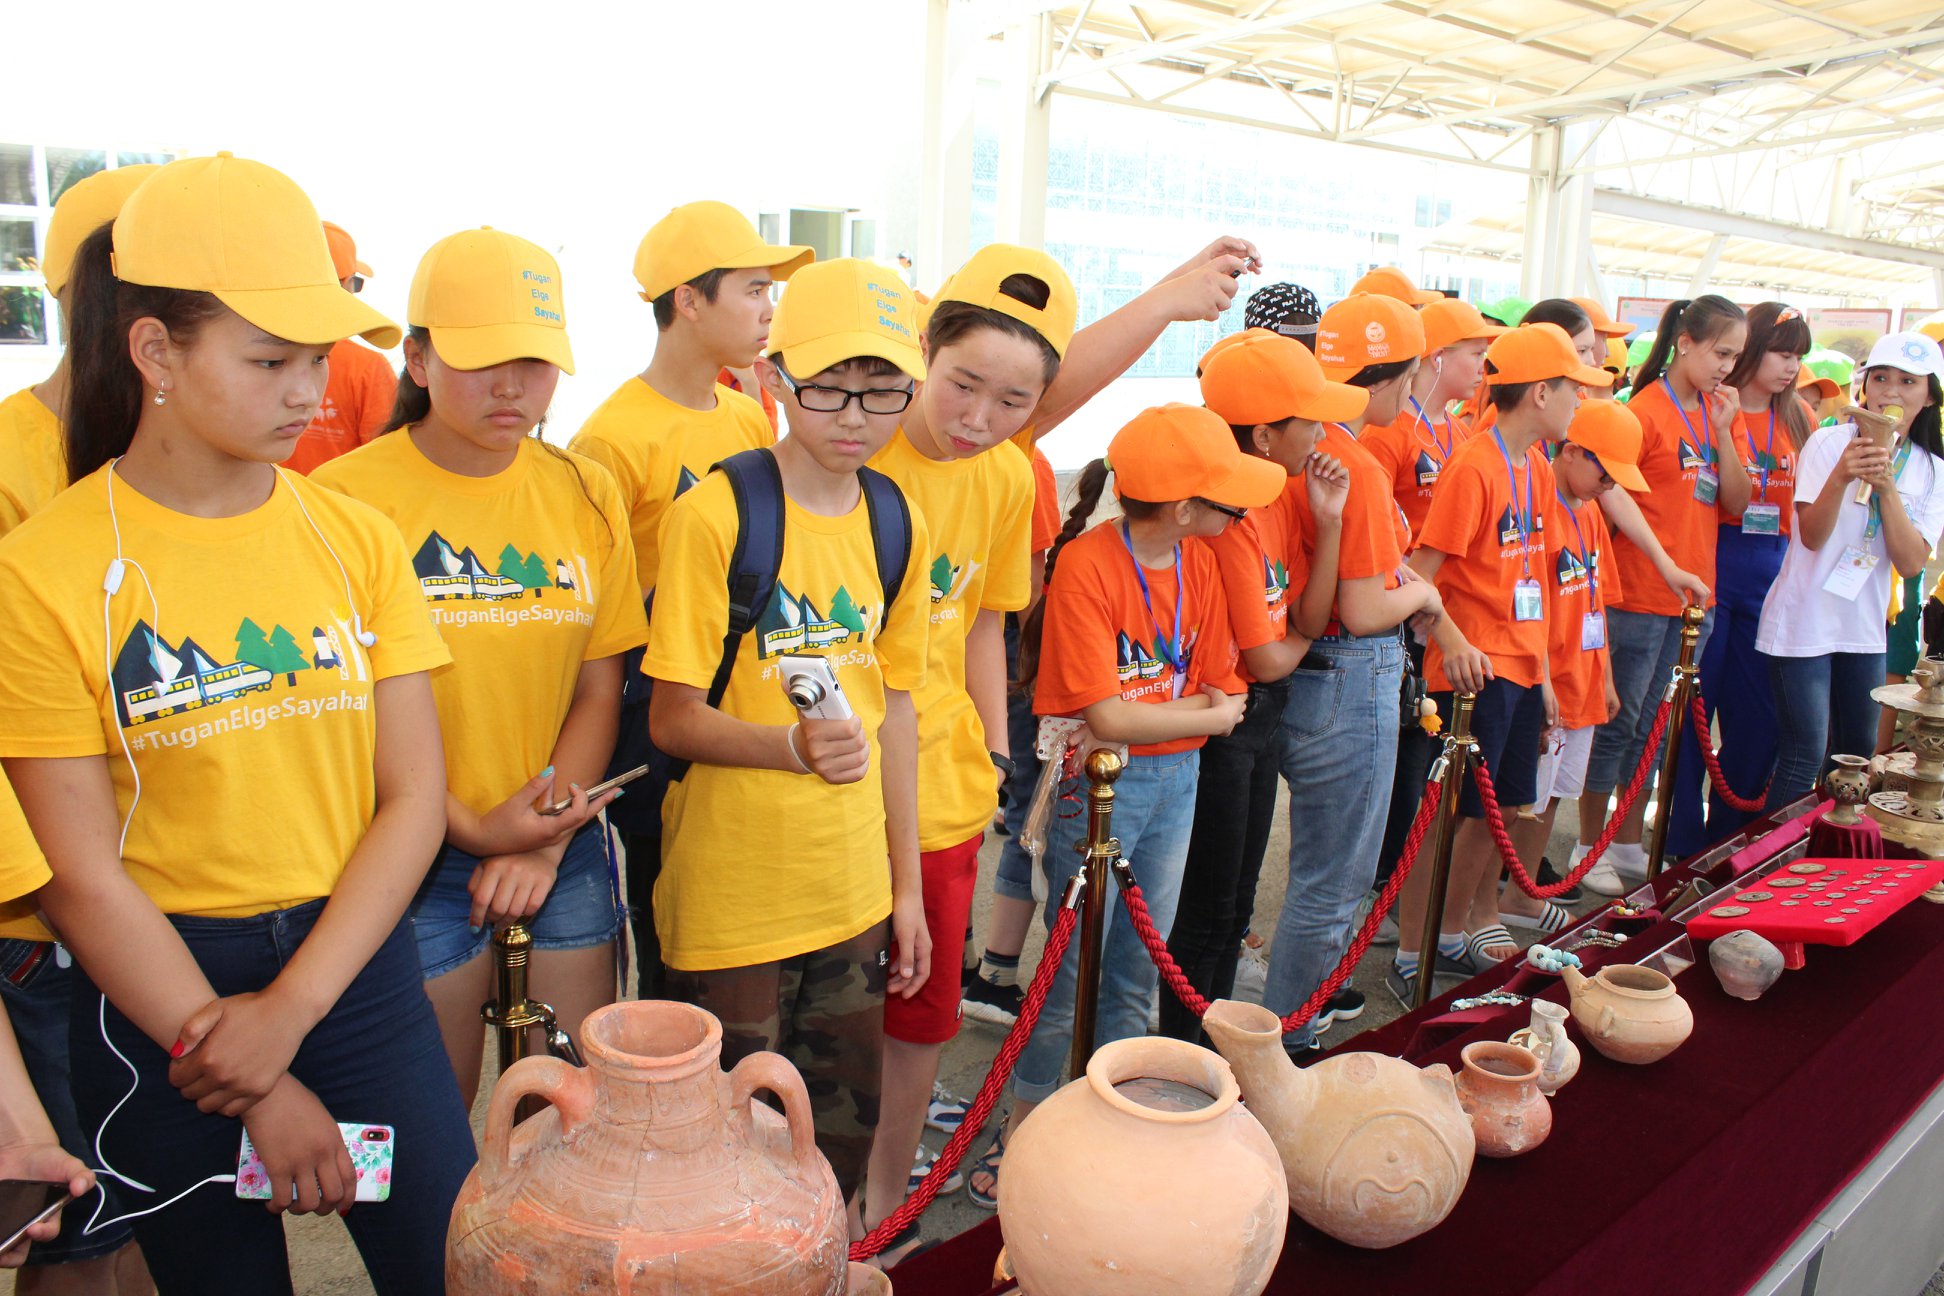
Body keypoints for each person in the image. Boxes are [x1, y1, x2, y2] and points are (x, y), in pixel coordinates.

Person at [0, 153, 473, 1296]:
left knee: (457, 1262)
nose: (309, 392)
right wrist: (245, 1066)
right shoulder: (43, 572)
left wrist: (294, 1013)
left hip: (353, 967)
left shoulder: (354, 539)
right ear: (156, 351)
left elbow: (412, 796)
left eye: (318, 359)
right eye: (269, 361)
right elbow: (75, 875)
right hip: (161, 993)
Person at [312, 228, 644, 1105]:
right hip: (403, 856)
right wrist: (470, 829)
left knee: (572, 1119)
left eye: (534, 361)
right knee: (437, 1128)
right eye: (480, 359)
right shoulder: (342, 501)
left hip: (558, 844)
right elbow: (348, 716)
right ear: (415, 358)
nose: (511, 387)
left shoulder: (584, 488)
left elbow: (599, 687)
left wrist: (545, 834)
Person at [645, 257, 932, 1212]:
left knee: (830, 1155)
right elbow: (672, 717)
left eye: (884, 392)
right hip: (735, 906)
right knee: (720, 1167)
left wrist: (909, 895)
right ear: (774, 382)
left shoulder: (897, 518)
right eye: (829, 390)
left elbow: (896, 720)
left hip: (850, 898)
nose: (855, 417)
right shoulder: (717, 514)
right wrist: (790, 748)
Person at [971, 402, 1279, 1206]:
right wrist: (1204, 717)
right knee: (1071, 968)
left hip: (1173, 782)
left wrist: (1190, 717)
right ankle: (1026, 1132)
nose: (1237, 512)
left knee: (1140, 965)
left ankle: (1116, 1122)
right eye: (1224, 498)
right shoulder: (1090, 564)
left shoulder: (1201, 562)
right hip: (1098, 786)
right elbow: (1109, 718)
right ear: (1183, 507)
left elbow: (1225, 683)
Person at [858, 245, 1071, 1250]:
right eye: (963, 385)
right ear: (923, 354)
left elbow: (988, 623)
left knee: (919, 1008)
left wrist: (991, 751)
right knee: (823, 1006)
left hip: (941, 787)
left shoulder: (1006, 478)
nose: (978, 418)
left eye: (1014, 401)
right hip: (828, 785)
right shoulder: (846, 450)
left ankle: (887, 1194)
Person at [570, 201, 813, 996]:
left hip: (746, 689)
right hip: (656, 701)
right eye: (751, 288)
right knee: (669, 914)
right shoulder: (612, 439)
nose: (768, 307)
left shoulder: (748, 415)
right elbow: (595, 607)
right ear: (688, 300)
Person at [0, 163, 157, 1295]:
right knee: (76, 1215)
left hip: (168, 898)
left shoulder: (199, 468)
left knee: (151, 1199)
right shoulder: (17, 455)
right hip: (48, 908)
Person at [1392, 325, 1610, 997]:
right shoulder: (1475, 466)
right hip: (1471, 676)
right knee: (1453, 813)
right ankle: (1411, 948)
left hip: (1518, 669)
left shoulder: (1536, 468)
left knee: (1503, 813)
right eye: (1574, 388)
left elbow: (1537, 583)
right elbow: (1416, 572)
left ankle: (1451, 933)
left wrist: (1542, 677)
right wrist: (1452, 639)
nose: (1581, 400)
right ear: (1540, 393)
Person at [1158, 329, 1352, 1046]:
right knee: (1207, 912)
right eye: (1311, 420)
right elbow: (1267, 657)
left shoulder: (1278, 495)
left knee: (1234, 907)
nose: (1324, 432)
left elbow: (1303, 618)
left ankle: (1202, 1053)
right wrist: (1290, 644)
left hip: (1259, 719)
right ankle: (1186, 1061)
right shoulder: (1229, 514)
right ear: (1266, 434)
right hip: (1223, 729)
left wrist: (1328, 524)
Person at [1262, 293, 1441, 1057]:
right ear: (1397, 379)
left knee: (1315, 876)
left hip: (1300, 669)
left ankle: (1280, 1026)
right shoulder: (1358, 464)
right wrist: (1428, 594)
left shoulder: (1306, 442)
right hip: (1349, 672)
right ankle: (1289, 1043)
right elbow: (1367, 607)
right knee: (1330, 883)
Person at [1578, 296, 1747, 895]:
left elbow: (1737, 501)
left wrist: (1726, 434)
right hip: (1636, 593)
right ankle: (1587, 840)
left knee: (1657, 724)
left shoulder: (1718, 412)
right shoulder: (1644, 411)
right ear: (1686, 343)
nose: (1727, 366)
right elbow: (1606, 494)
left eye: (1735, 356)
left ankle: (1624, 837)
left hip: (1693, 597)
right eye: (1721, 352)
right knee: (1617, 722)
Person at [1358, 299, 1504, 911]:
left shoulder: (1458, 429)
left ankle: (1401, 884)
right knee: (1399, 763)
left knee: (1424, 760)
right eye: (1474, 352)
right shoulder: (1389, 429)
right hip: (1396, 616)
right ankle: (1381, 888)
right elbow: (1375, 527)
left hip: (1438, 615)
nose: (1483, 364)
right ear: (1436, 356)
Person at [1757, 332, 1944, 807]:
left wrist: (1886, 488)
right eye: (1880, 378)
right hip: (1803, 623)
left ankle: (1831, 864)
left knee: (1856, 757)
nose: (1891, 392)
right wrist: (1842, 474)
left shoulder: (1931, 469)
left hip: (1864, 629)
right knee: (1802, 756)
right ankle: (1778, 871)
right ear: (1864, 386)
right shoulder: (1827, 442)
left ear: (1929, 396)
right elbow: (1812, 537)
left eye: (1908, 381)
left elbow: (1910, 561)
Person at [1664, 303, 1811, 855]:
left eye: (1798, 355)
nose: (1790, 366)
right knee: (1690, 721)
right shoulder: (1709, 410)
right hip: (1712, 574)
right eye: (1781, 351)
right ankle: (1678, 845)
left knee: (1758, 723)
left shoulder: (1802, 421)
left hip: (1773, 585)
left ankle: (1726, 843)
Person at [1509, 402, 1648, 897]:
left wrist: (1606, 680)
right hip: (1549, 679)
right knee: (1530, 797)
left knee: (1557, 795)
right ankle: (1511, 896)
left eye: (1616, 481)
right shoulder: (1539, 508)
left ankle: (1524, 899)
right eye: (1605, 474)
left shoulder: (1589, 513)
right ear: (1570, 452)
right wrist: (1542, 679)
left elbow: (1598, 601)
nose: (1608, 487)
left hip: (1584, 680)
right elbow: (1530, 608)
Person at [282, 224, 397, 475]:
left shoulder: (248, 355)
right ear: (343, 285)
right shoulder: (368, 367)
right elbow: (387, 461)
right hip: (336, 510)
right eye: (356, 283)